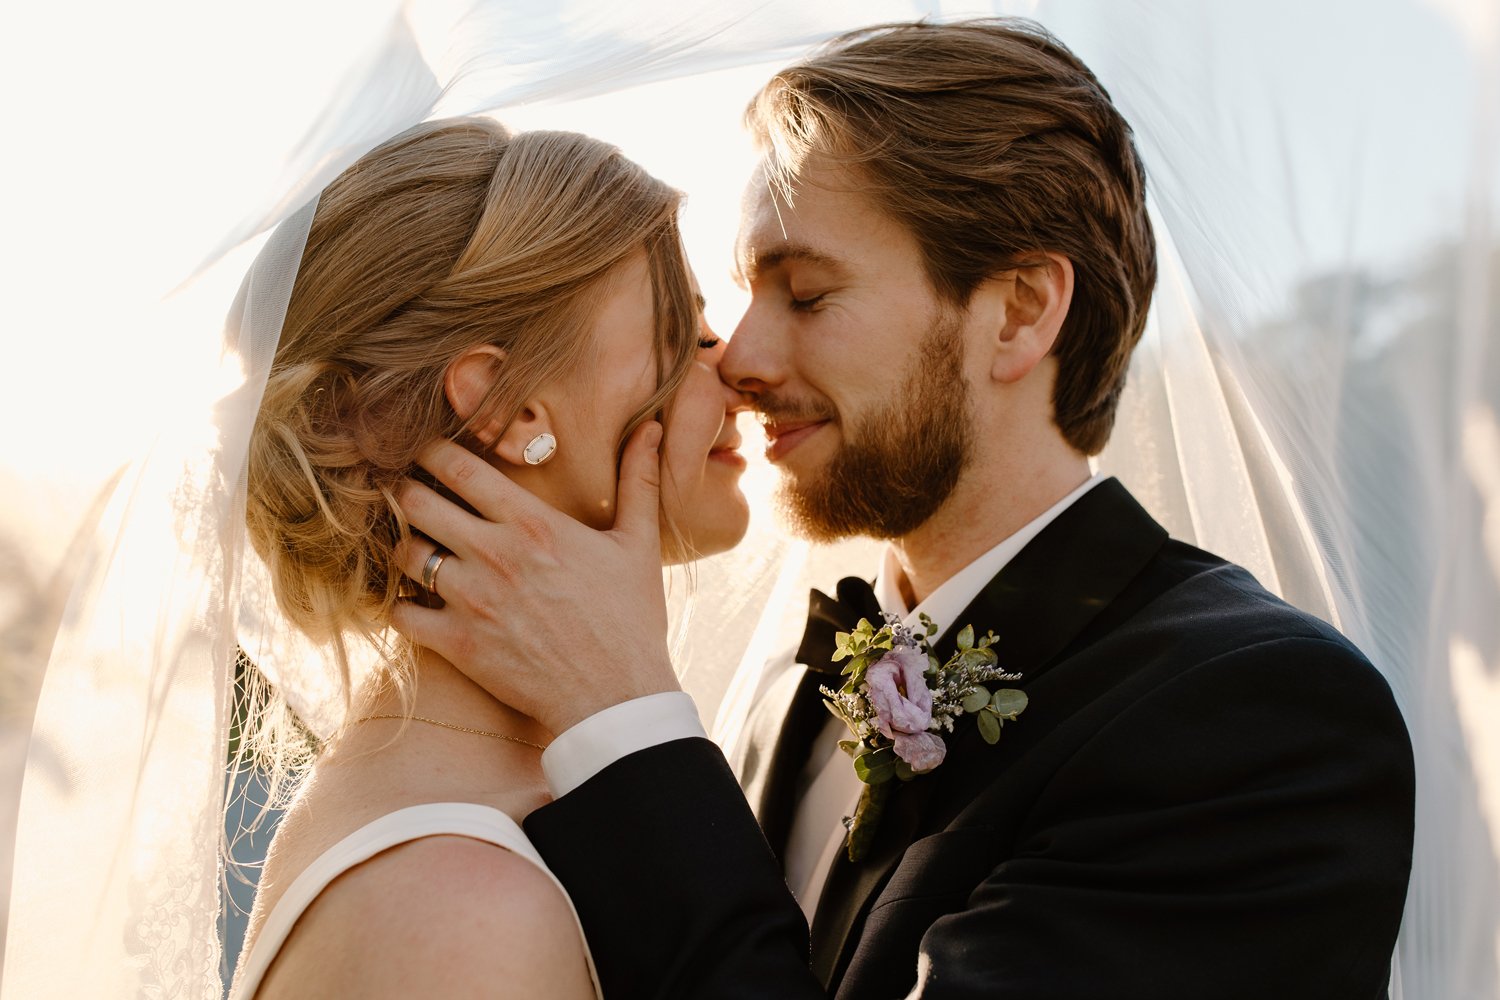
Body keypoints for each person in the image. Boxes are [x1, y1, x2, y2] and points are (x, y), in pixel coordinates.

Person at [393, 19, 1417, 1000]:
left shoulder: (1255, 725)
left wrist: (620, 720)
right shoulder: (790, 704)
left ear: (1018, 313)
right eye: (744, 295)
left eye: (806, 295)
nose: (739, 361)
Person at [227, 117, 749, 999]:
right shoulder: (462, 909)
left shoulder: (513, 798)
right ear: (509, 410)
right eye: (686, 333)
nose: (737, 368)